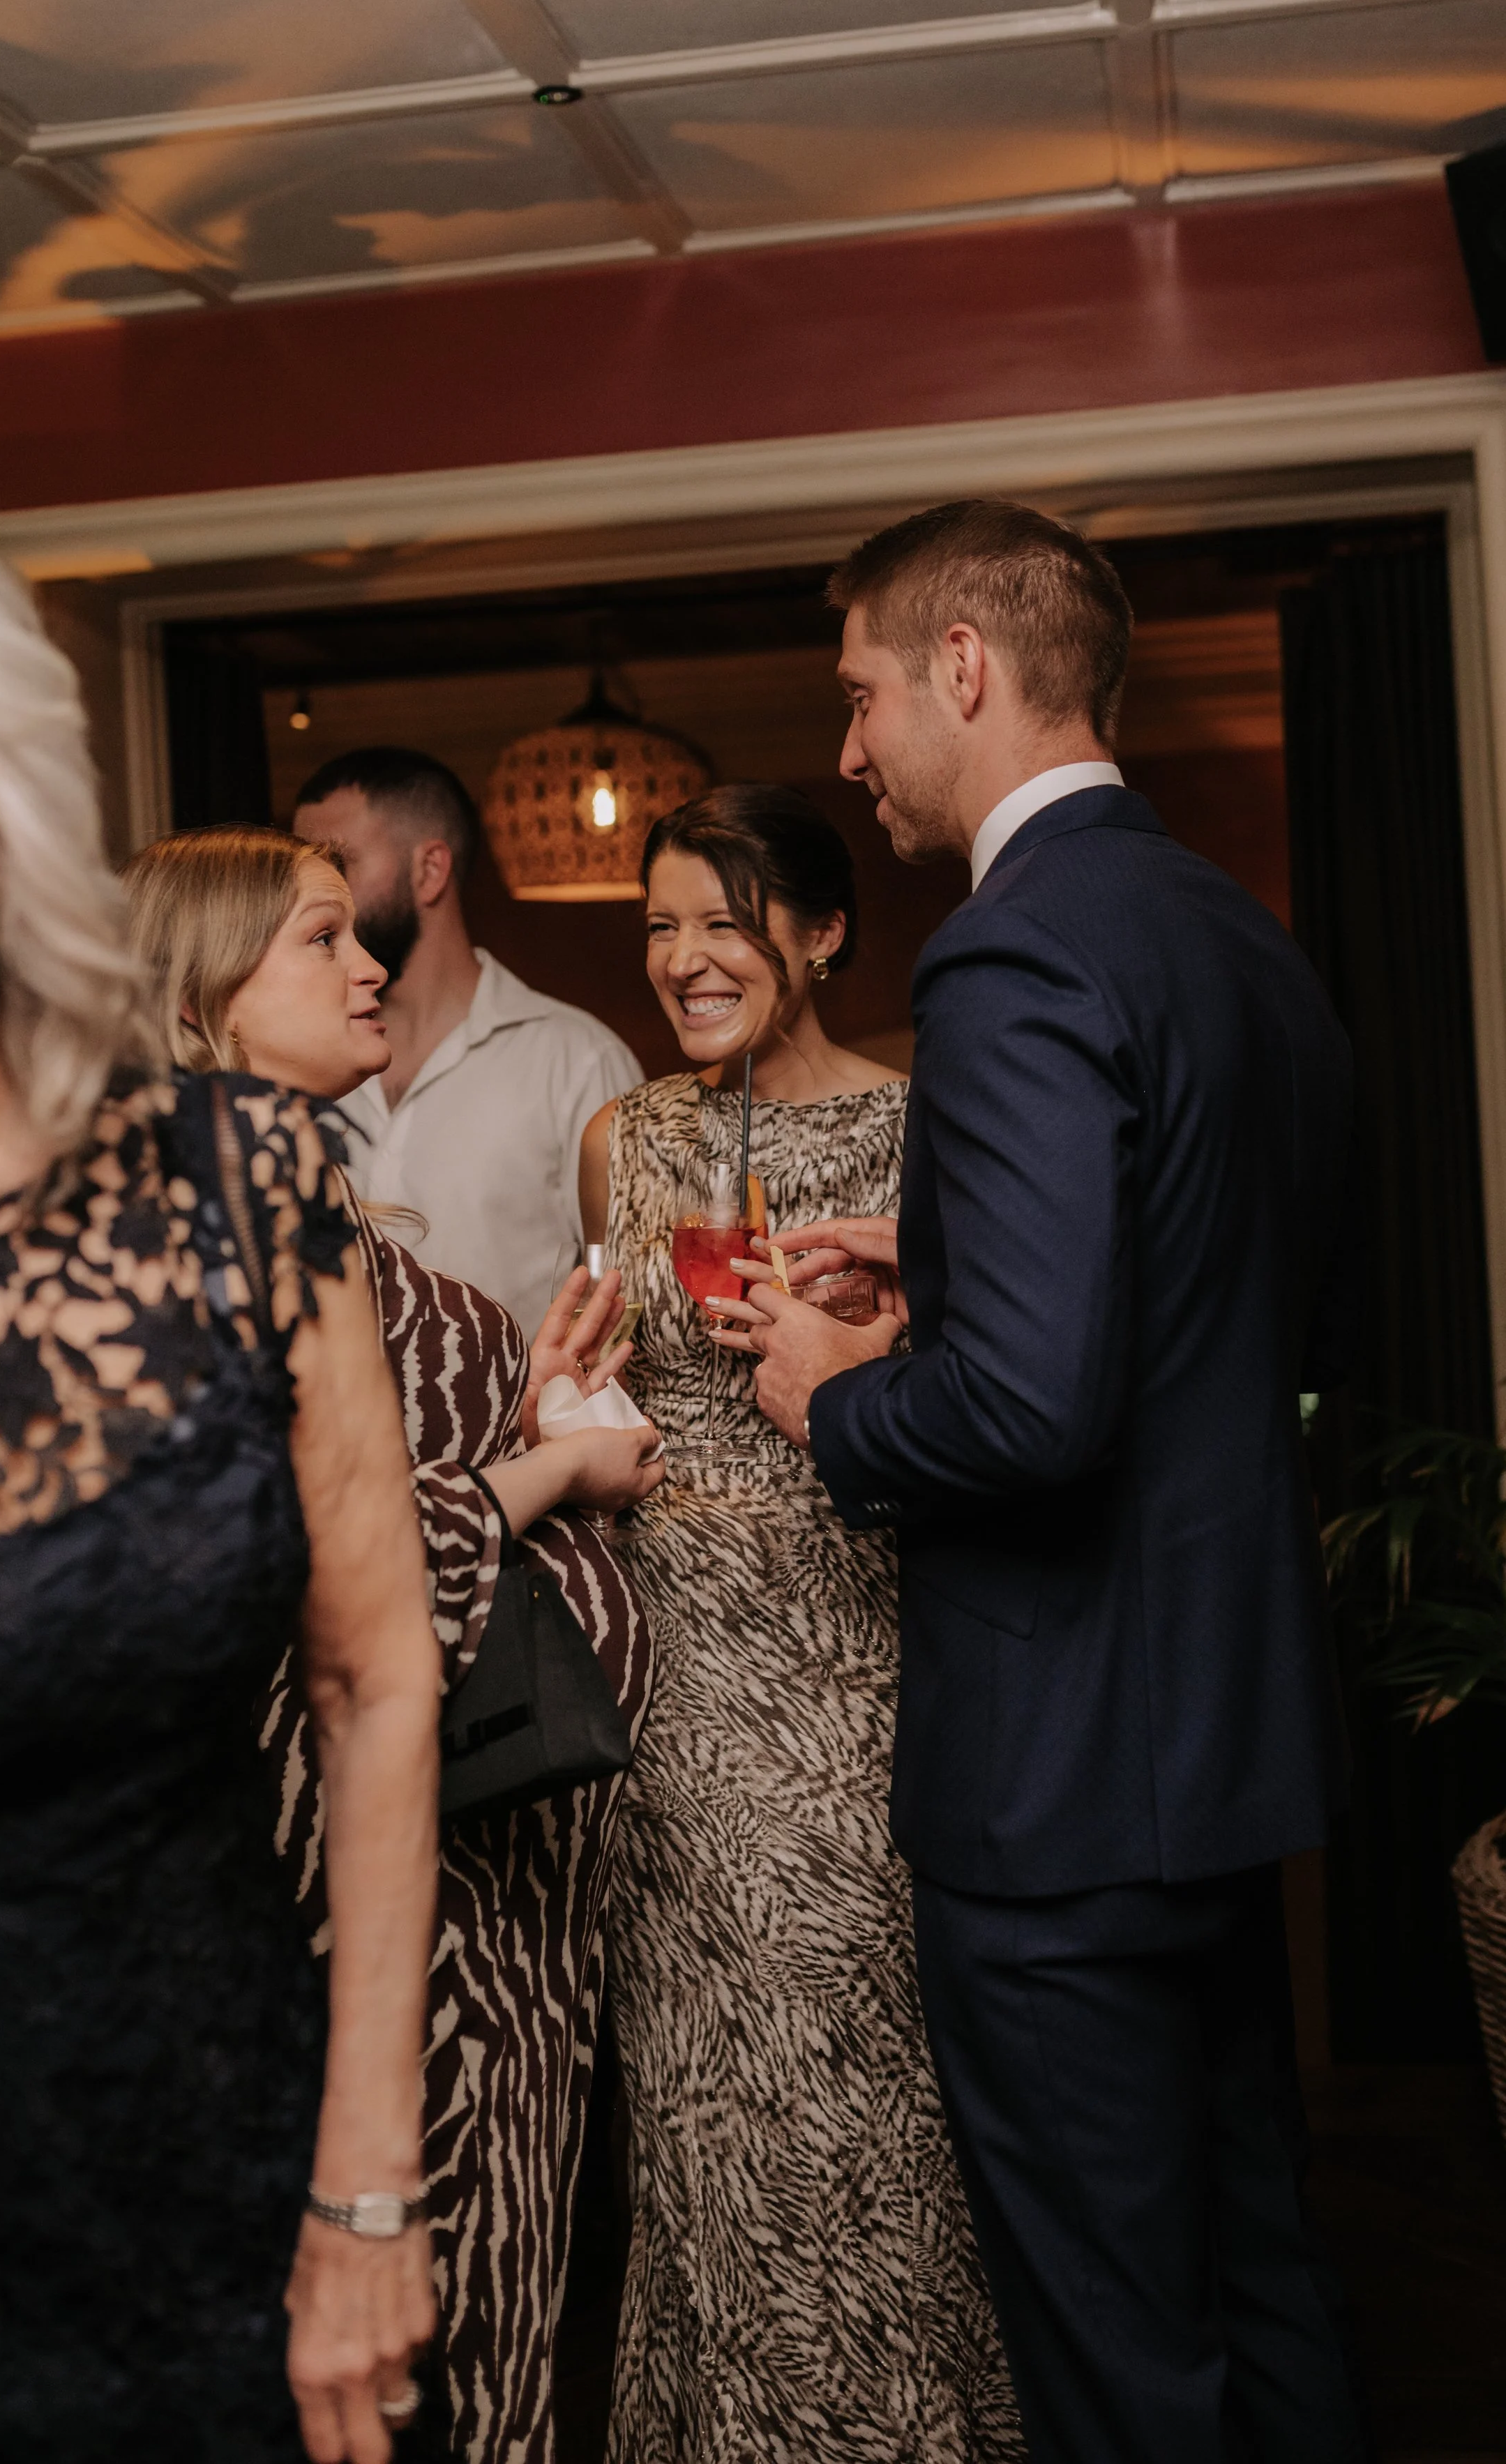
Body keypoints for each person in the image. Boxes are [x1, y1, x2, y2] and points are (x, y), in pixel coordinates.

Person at [722, 499, 1368, 2464]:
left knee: (1115, 2351)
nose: (848, 752)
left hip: (1057, 1781)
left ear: (965, 670)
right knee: (1258, 2280)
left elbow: (1023, 1416)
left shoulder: (1007, 954)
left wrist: (832, 1394)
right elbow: (1225, 1285)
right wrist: (955, 1267)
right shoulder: (1223, 931)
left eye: (859, 695)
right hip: (1215, 1752)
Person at [0, 493, 444, 2464]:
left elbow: (376, 1676)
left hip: (235, 2204)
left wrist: (364, 2191)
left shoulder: (239, 1185)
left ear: (0, 782)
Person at [123, 822, 663, 2464]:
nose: (371, 965)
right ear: (200, 994)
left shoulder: (365, 1241)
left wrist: (552, 1401)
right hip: (344, 1923)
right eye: (314, 942)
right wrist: (547, 1463)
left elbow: (444, 1499)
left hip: (502, 1916)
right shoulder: (161, 1268)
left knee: (490, 2344)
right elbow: (285, 1591)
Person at [577, 783, 1021, 2463]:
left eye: (724, 917)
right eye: (660, 925)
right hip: (674, 1678)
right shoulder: (625, 1139)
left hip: (862, 1656)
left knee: (870, 2091)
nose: (687, 958)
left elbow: (997, 1400)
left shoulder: (928, 1129)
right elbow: (610, 1389)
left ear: (822, 931)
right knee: (702, 2108)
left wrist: (871, 1356)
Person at [294, 748, 642, 1337]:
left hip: (531, 1430)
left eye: (337, 863)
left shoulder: (577, 1062)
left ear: (430, 870)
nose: (313, 890)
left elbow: (631, 1297)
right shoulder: (294, 1062)